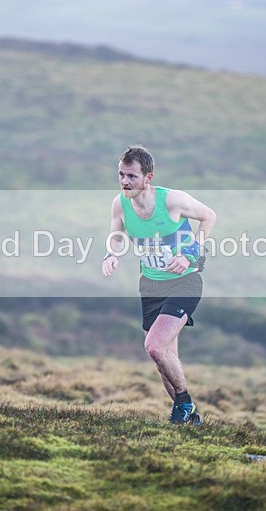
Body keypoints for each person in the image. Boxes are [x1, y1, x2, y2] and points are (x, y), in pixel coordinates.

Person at [102, 146, 217, 425]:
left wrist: (191, 252)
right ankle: (189, 419)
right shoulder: (120, 204)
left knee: (154, 346)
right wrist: (111, 255)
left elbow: (209, 217)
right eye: (121, 175)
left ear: (148, 177)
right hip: (150, 287)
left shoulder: (172, 201)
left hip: (184, 282)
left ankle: (184, 401)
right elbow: (116, 235)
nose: (125, 181)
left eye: (131, 176)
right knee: (163, 359)